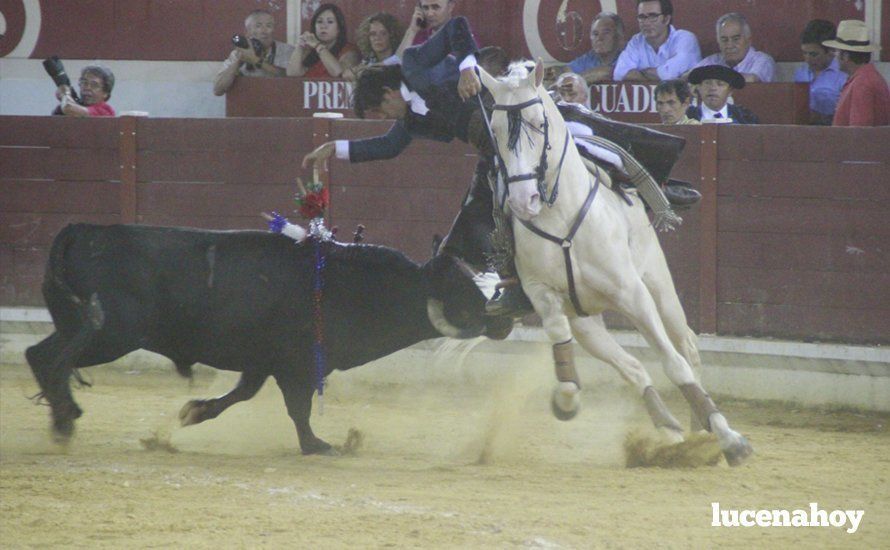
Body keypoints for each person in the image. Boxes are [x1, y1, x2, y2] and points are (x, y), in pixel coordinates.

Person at [613, 0, 700, 82]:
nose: (646, 23)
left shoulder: (685, 39)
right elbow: (619, 74)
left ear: (666, 19)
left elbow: (667, 74)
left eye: (653, 16)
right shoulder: (636, 41)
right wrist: (658, 76)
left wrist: (639, 73)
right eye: (642, 17)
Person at [823, 20, 890, 127]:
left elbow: (858, 133)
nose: (835, 56)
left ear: (845, 56)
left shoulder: (862, 83)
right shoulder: (867, 77)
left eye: (836, 51)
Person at [213, 9, 294, 96]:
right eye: (258, 26)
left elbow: (291, 78)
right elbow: (218, 90)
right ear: (247, 31)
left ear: (274, 29)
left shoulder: (287, 50)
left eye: (268, 26)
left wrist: (255, 60)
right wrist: (238, 61)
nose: (264, 31)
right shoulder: (238, 53)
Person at [691, 12, 775, 83]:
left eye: (736, 39)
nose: (729, 45)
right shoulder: (713, 60)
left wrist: (708, 78)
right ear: (718, 42)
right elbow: (687, 77)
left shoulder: (762, 60)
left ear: (748, 40)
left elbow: (752, 80)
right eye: (724, 40)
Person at [547, 13, 626, 85]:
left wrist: (577, 81)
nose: (599, 38)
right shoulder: (590, 58)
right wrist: (551, 74)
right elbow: (565, 71)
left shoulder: (628, 55)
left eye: (606, 33)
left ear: (619, 37)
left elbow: (608, 72)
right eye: (595, 34)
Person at [794, 19, 847, 125]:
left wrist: (822, 118)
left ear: (830, 51)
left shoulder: (844, 75)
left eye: (814, 54)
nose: (807, 59)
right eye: (804, 53)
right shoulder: (800, 73)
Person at [287, 3, 359, 78]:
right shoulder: (309, 50)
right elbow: (293, 74)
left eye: (330, 22)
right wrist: (300, 46)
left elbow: (338, 73)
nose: (323, 26)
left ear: (339, 28)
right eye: (319, 22)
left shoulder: (349, 51)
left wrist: (318, 46)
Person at [343, 12, 413, 81]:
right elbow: (346, 74)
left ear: (392, 35)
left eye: (383, 33)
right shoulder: (368, 61)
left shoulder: (402, 58)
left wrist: (365, 70)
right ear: (367, 38)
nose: (377, 38)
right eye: (373, 34)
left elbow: (394, 62)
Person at [686, 65, 758, 124]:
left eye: (720, 84)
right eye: (707, 83)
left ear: (730, 91)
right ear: (699, 88)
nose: (713, 88)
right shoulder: (686, 116)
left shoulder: (744, 117)